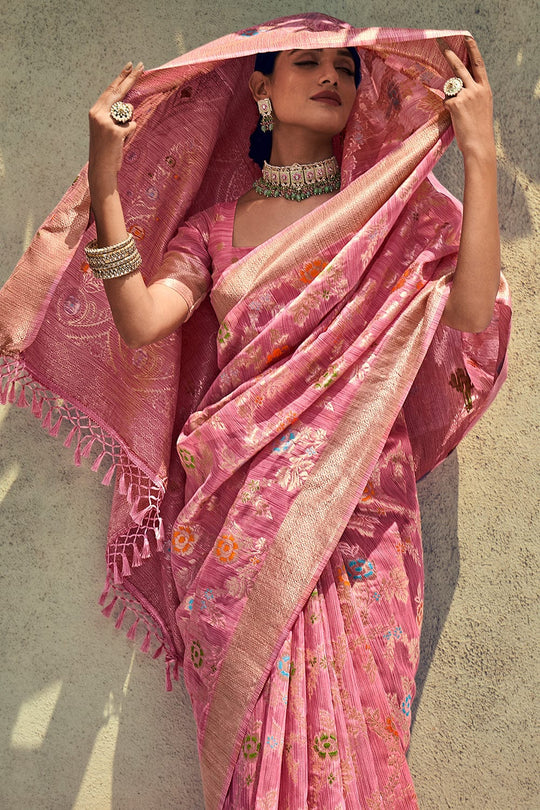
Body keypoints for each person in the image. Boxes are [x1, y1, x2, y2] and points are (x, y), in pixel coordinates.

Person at [0, 13, 510, 810]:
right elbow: (139, 320)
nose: (332, 78)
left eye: (344, 67)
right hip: (237, 517)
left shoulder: (384, 218)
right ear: (261, 90)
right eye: (306, 63)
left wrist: (479, 150)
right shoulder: (213, 229)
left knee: (360, 726)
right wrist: (106, 179)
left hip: (358, 511)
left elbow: (471, 315)